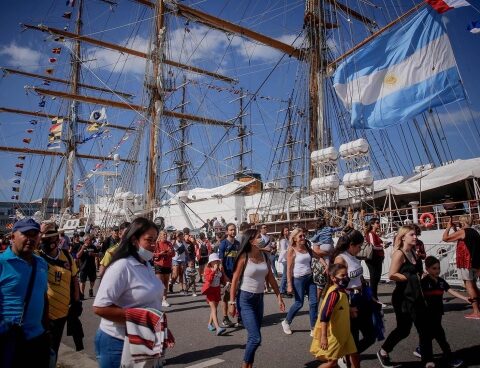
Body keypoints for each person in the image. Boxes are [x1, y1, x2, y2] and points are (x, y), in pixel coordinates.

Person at [93, 218, 164, 368]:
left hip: (143, 338)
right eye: (148, 240)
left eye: (155, 240)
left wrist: (159, 325)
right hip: (117, 341)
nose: (153, 245)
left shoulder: (146, 265)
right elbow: (100, 307)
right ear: (134, 239)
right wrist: (144, 318)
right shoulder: (122, 266)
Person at [228, 228, 285, 368]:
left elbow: (270, 278)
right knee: (256, 338)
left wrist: (279, 296)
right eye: (259, 237)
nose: (262, 239)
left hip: (259, 299)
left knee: (252, 338)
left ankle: (249, 365)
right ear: (252, 241)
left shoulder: (265, 257)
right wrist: (231, 302)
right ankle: (244, 365)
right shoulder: (244, 257)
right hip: (245, 299)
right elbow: (235, 280)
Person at [0, 218, 50, 368]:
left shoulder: (41, 264)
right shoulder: (2, 263)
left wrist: (47, 330)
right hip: (8, 340)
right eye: (26, 234)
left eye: (34, 235)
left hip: (37, 340)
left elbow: (43, 296)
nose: (31, 239)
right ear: (12, 237)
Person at [377, 225, 429, 368]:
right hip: (403, 297)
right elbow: (392, 274)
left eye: (415, 235)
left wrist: (422, 275)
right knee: (403, 330)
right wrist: (410, 277)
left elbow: (418, 271)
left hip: (416, 294)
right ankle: (383, 351)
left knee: (423, 327)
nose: (415, 237)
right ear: (403, 237)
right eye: (412, 235)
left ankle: (427, 359)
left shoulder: (413, 251)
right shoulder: (399, 254)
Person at [413, 256, 468, 368]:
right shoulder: (423, 283)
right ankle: (449, 358)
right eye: (434, 268)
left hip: (438, 314)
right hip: (427, 315)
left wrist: (465, 298)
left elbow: (450, 290)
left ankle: (421, 350)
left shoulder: (441, 281)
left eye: (438, 268)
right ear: (427, 269)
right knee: (440, 337)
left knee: (430, 336)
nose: (437, 271)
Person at [38, 222, 80, 360]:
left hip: (62, 314)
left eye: (49, 238)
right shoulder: (36, 256)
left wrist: (76, 302)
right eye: (43, 239)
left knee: (53, 350)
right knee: (40, 351)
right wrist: (40, 233)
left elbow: (74, 279)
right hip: (41, 315)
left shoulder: (67, 256)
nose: (45, 241)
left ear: (57, 240)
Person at [333, 229, 376, 355]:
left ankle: (349, 356)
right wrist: (348, 307)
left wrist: (370, 295)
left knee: (370, 336)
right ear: (351, 245)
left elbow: (359, 278)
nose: (360, 249)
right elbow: (337, 285)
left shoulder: (354, 257)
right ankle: (348, 358)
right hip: (349, 300)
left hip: (362, 298)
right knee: (354, 337)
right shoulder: (340, 259)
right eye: (359, 246)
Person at [310, 264, 359, 368]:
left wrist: (349, 310)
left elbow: (339, 307)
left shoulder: (343, 292)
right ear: (333, 278)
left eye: (346, 275)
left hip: (345, 333)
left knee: (354, 355)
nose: (346, 278)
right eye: (342, 275)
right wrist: (323, 337)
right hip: (335, 335)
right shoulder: (334, 294)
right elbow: (325, 316)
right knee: (332, 363)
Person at [282, 227, 324, 335]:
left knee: (314, 303)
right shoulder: (292, 249)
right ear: (295, 238)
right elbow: (289, 269)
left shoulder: (306, 247)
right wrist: (289, 285)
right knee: (299, 303)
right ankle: (286, 322)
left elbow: (317, 256)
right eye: (300, 236)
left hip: (309, 278)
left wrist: (326, 266)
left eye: (303, 235)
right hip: (298, 279)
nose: (303, 237)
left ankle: (313, 327)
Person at [442, 215, 480, 319]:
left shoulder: (463, 232)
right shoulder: (474, 232)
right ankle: (478, 309)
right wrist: (456, 229)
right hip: (475, 263)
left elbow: (445, 238)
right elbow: (464, 239)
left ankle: (476, 312)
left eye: (460, 223)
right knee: (474, 285)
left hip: (465, 263)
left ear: (462, 223)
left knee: (469, 285)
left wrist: (448, 227)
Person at [218, 223, 240, 327]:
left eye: (234, 229)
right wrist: (224, 276)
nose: (233, 231)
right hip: (226, 274)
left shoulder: (238, 244)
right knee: (226, 296)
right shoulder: (223, 244)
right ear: (227, 231)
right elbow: (220, 262)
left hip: (236, 274)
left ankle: (239, 317)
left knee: (238, 295)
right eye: (231, 230)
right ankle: (225, 318)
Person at [201, 253, 227, 336]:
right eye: (214, 261)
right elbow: (208, 279)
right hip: (210, 291)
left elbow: (222, 279)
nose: (216, 262)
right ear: (210, 262)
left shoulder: (219, 269)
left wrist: (226, 283)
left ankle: (209, 324)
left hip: (217, 291)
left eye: (217, 261)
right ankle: (218, 327)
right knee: (214, 309)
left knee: (214, 309)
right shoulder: (208, 269)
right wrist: (214, 271)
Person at [364, 218, 386, 301]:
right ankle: (373, 298)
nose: (378, 224)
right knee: (374, 278)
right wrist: (382, 246)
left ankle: (374, 297)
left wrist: (382, 244)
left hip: (377, 258)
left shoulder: (374, 234)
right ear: (372, 224)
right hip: (373, 258)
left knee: (376, 278)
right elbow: (372, 246)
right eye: (377, 222)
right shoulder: (371, 234)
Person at [154, 230, 175, 307]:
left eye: (166, 234)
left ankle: (164, 299)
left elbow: (173, 254)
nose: (165, 236)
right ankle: (157, 299)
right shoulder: (157, 244)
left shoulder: (169, 244)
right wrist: (160, 254)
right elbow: (153, 254)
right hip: (159, 264)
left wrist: (170, 252)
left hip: (167, 264)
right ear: (160, 235)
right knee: (159, 283)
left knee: (165, 283)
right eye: (164, 234)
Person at [77, 234, 98, 299]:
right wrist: (82, 249)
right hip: (83, 267)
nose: (91, 241)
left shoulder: (93, 247)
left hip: (92, 267)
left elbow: (98, 254)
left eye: (91, 239)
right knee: (82, 282)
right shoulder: (81, 247)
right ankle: (82, 294)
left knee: (93, 280)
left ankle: (91, 289)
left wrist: (93, 254)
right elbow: (77, 256)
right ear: (85, 240)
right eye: (90, 240)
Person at [277, 226, 291, 298]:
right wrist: (289, 249)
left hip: (287, 258)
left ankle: (284, 289)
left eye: (288, 230)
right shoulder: (283, 240)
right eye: (285, 231)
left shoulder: (287, 239)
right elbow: (283, 250)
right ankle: (282, 291)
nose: (287, 232)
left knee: (287, 275)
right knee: (285, 275)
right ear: (283, 232)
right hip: (285, 259)